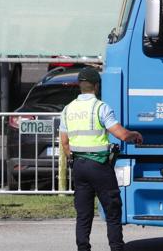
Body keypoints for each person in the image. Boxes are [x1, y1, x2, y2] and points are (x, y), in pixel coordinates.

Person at [59, 67, 143, 251]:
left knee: (83, 214)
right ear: (96, 86)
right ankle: (116, 248)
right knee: (112, 211)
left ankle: (83, 248)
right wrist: (134, 134)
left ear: (80, 86)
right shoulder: (100, 107)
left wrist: (72, 161)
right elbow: (121, 134)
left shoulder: (67, 110)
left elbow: (64, 143)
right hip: (99, 167)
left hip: (79, 167)